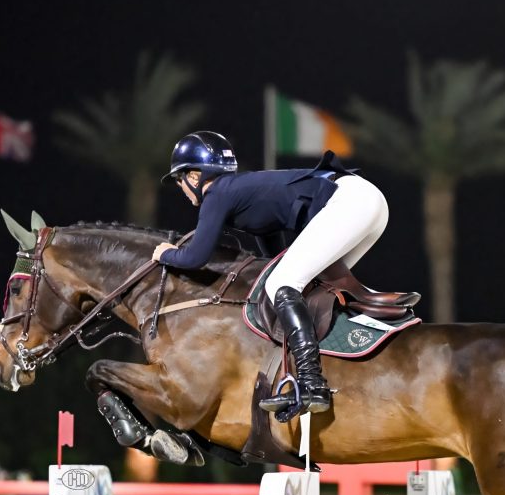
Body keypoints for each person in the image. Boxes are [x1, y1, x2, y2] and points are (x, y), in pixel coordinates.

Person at [154, 130, 389, 418]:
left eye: (179, 180)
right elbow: (272, 250)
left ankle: (312, 383)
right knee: (314, 286)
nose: (181, 188)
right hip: (368, 202)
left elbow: (194, 257)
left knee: (282, 284)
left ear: (193, 176)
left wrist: (165, 253)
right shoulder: (239, 190)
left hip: (351, 202)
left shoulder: (217, 192)